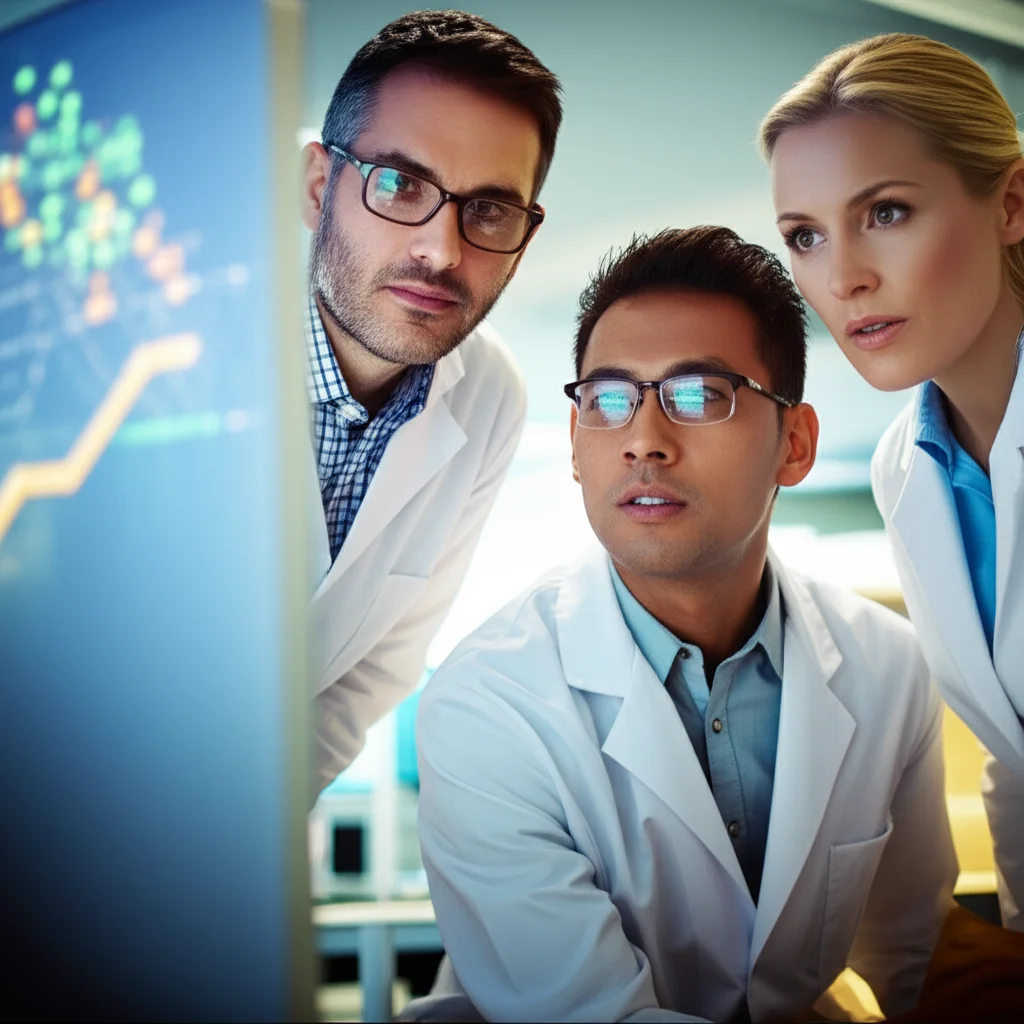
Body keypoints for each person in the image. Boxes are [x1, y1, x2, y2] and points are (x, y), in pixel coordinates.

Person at [409, 227, 956, 1022]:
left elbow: (912, 955)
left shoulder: (890, 669)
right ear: (574, 442)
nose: (643, 442)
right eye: (608, 399)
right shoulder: (487, 701)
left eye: (699, 395)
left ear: (794, 444)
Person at [760, 32, 1024, 932]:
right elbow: (1012, 752)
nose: (843, 278)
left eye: (887, 213)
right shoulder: (903, 468)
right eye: (806, 236)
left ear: (1013, 204)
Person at [301, 10, 562, 790]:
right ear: (320, 187)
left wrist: (241, 832)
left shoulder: (490, 398)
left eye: (487, 210)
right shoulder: (175, 338)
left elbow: (370, 676)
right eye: (401, 184)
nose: (440, 251)